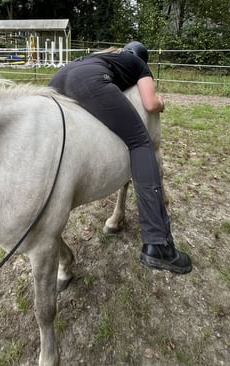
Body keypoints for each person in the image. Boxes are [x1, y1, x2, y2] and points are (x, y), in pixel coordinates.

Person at [49, 41, 192, 274]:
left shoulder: (99, 57)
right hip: (88, 84)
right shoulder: (138, 64)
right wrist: (161, 103)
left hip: (56, 82)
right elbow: (149, 103)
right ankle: (158, 244)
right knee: (140, 142)